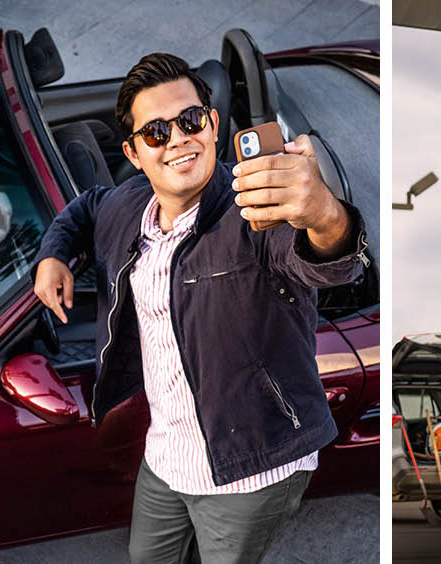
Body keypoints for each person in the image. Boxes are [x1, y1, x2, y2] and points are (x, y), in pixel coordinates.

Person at [32, 53, 366, 564]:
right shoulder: (128, 205)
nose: (179, 139)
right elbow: (86, 207)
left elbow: (329, 263)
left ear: (211, 125)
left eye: (190, 121)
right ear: (135, 152)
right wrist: (53, 253)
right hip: (166, 456)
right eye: (157, 132)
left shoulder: (256, 215)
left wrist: (323, 212)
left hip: (252, 471)